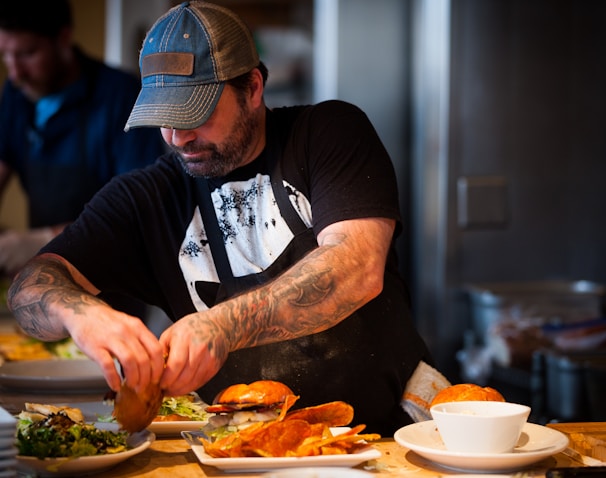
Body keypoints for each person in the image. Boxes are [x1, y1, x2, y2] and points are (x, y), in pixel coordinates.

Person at [8, 1, 446, 435]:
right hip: (241, 448)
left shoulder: (326, 134)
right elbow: (30, 285)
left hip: (388, 434)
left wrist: (222, 325)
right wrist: (78, 312)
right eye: (164, 117)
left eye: (194, 113)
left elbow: (355, 267)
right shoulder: (147, 198)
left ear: (253, 88)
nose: (179, 137)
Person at [0, 0, 166, 278]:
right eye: (5, 55)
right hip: (45, 275)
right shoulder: (17, 95)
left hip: (110, 278)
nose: (15, 73)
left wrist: (40, 240)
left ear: (63, 38)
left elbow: (138, 212)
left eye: (27, 54)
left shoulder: (121, 98)